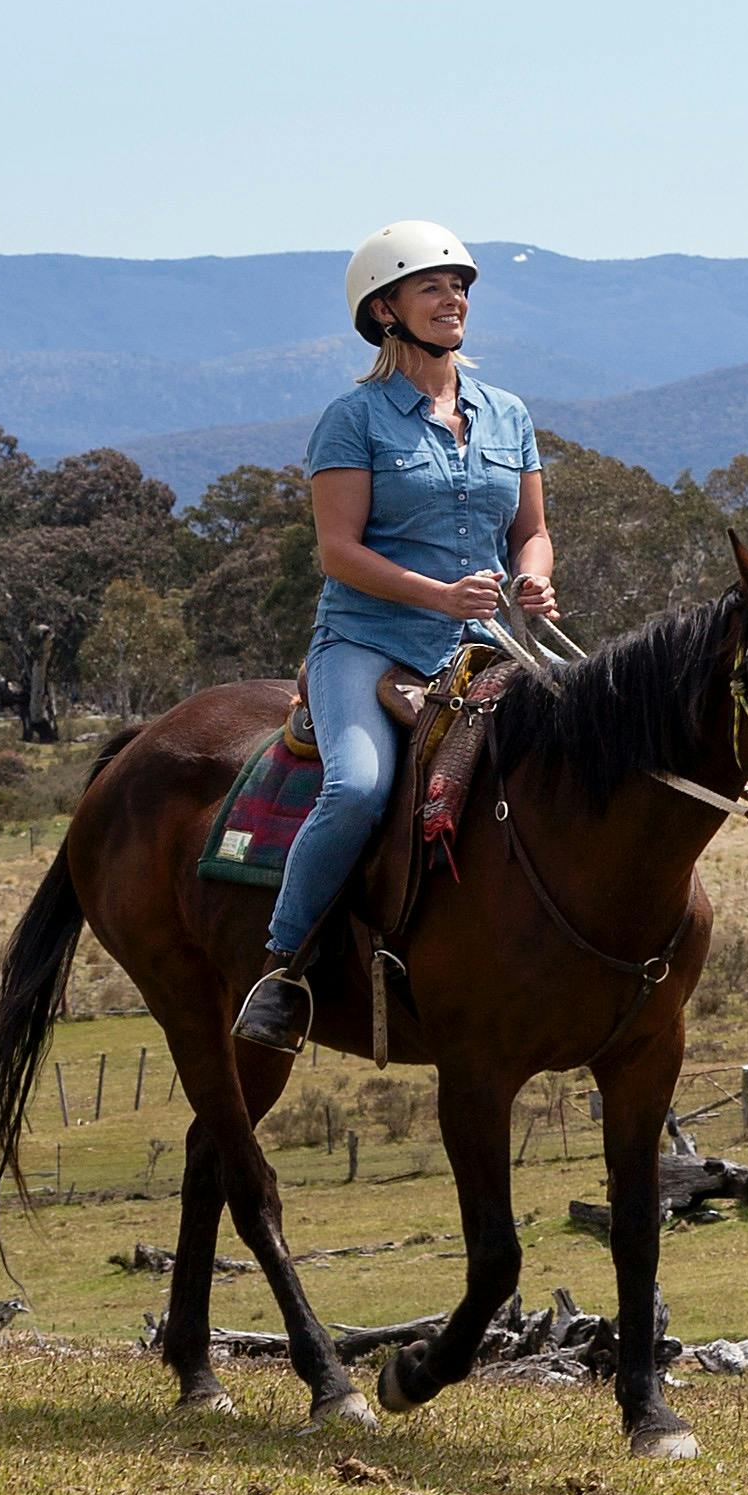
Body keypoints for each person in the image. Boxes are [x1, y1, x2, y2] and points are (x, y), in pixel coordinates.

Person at [236, 223, 553, 1053]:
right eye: (433, 288)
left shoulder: (508, 414)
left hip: (481, 644)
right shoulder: (353, 420)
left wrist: (531, 575)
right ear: (385, 311)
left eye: (461, 288)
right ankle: (283, 967)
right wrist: (438, 593)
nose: (455, 300)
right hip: (368, 642)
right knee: (361, 786)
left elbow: (531, 530)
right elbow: (338, 551)